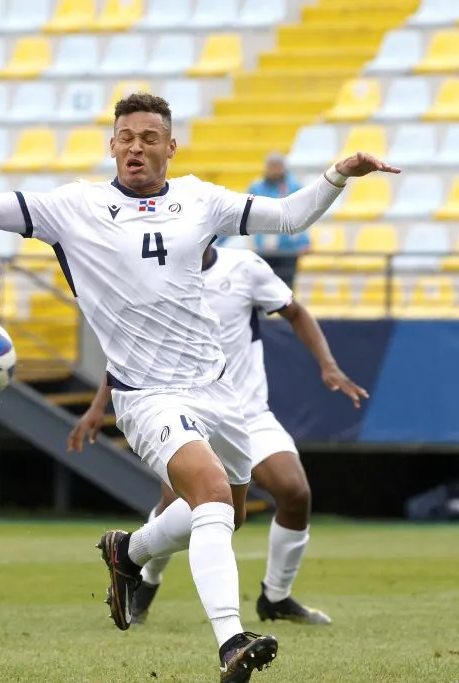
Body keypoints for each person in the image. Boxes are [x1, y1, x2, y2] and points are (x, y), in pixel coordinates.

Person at [0, 92, 399, 681]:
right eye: (126, 137)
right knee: (212, 498)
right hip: (147, 395)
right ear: (112, 145)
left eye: (149, 137)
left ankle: (131, 551)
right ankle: (231, 641)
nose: (136, 147)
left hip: (219, 391)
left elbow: (288, 217)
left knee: (231, 512)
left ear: (170, 148)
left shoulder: (201, 200)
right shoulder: (74, 206)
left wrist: (337, 175)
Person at [69, 242, 370, 628]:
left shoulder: (244, 268)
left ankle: (276, 597)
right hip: (184, 409)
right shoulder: (157, 277)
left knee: (295, 493)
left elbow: (295, 311)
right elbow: (131, 352)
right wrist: (98, 406)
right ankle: (145, 581)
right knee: (176, 504)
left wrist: (328, 366)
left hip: (246, 412)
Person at [247, 152, 307, 288]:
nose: (274, 170)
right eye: (271, 166)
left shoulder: (293, 187)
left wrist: (304, 242)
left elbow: (303, 214)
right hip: (263, 248)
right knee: (262, 287)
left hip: (288, 249)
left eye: (277, 166)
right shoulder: (256, 187)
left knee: (286, 288)